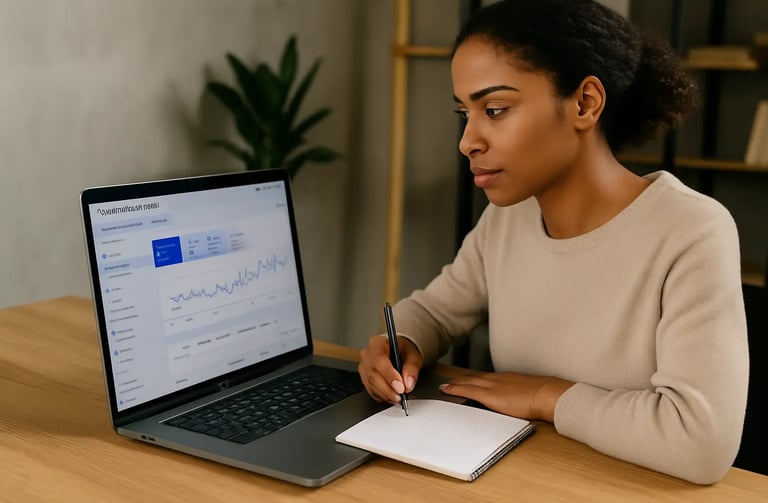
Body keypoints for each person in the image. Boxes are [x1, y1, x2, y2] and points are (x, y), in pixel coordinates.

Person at [358, 0, 749, 485]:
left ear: (585, 103)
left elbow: (701, 442)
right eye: (466, 112)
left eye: (495, 109)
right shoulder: (510, 218)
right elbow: (438, 312)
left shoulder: (692, 231)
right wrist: (401, 341)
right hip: (518, 481)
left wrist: (546, 396)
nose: (468, 141)